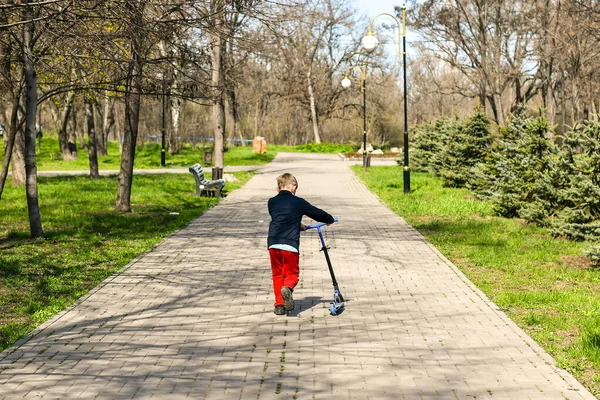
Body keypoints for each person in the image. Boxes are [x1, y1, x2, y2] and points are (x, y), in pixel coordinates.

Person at [267, 173, 335, 315]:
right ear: (294, 187)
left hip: (273, 243)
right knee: (292, 273)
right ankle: (288, 288)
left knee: (277, 274)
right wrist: (329, 219)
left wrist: (298, 224)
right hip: (289, 244)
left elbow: (282, 218)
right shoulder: (298, 202)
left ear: (277, 188)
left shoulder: (272, 202)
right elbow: (316, 213)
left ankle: (279, 305)